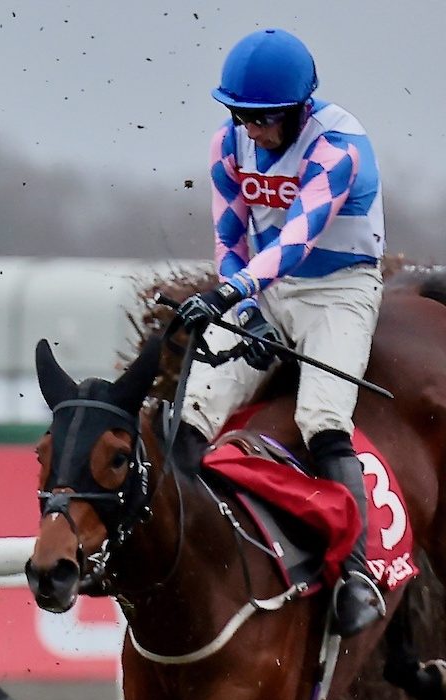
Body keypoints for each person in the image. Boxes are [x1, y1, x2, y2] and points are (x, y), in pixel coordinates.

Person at [174, 27, 385, 637]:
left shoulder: (339, 148)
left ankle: (357, 575)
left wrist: (231, 292)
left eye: (264, 118)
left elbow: (297, 238)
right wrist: (239, 301)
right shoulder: (228, 144)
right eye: (241, 115)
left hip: (338, 291)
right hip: (264, 289)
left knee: (322, 418)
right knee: (194, 406)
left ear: (299, 108)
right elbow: (230, 238)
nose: (252, 130)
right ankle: (183, 549)